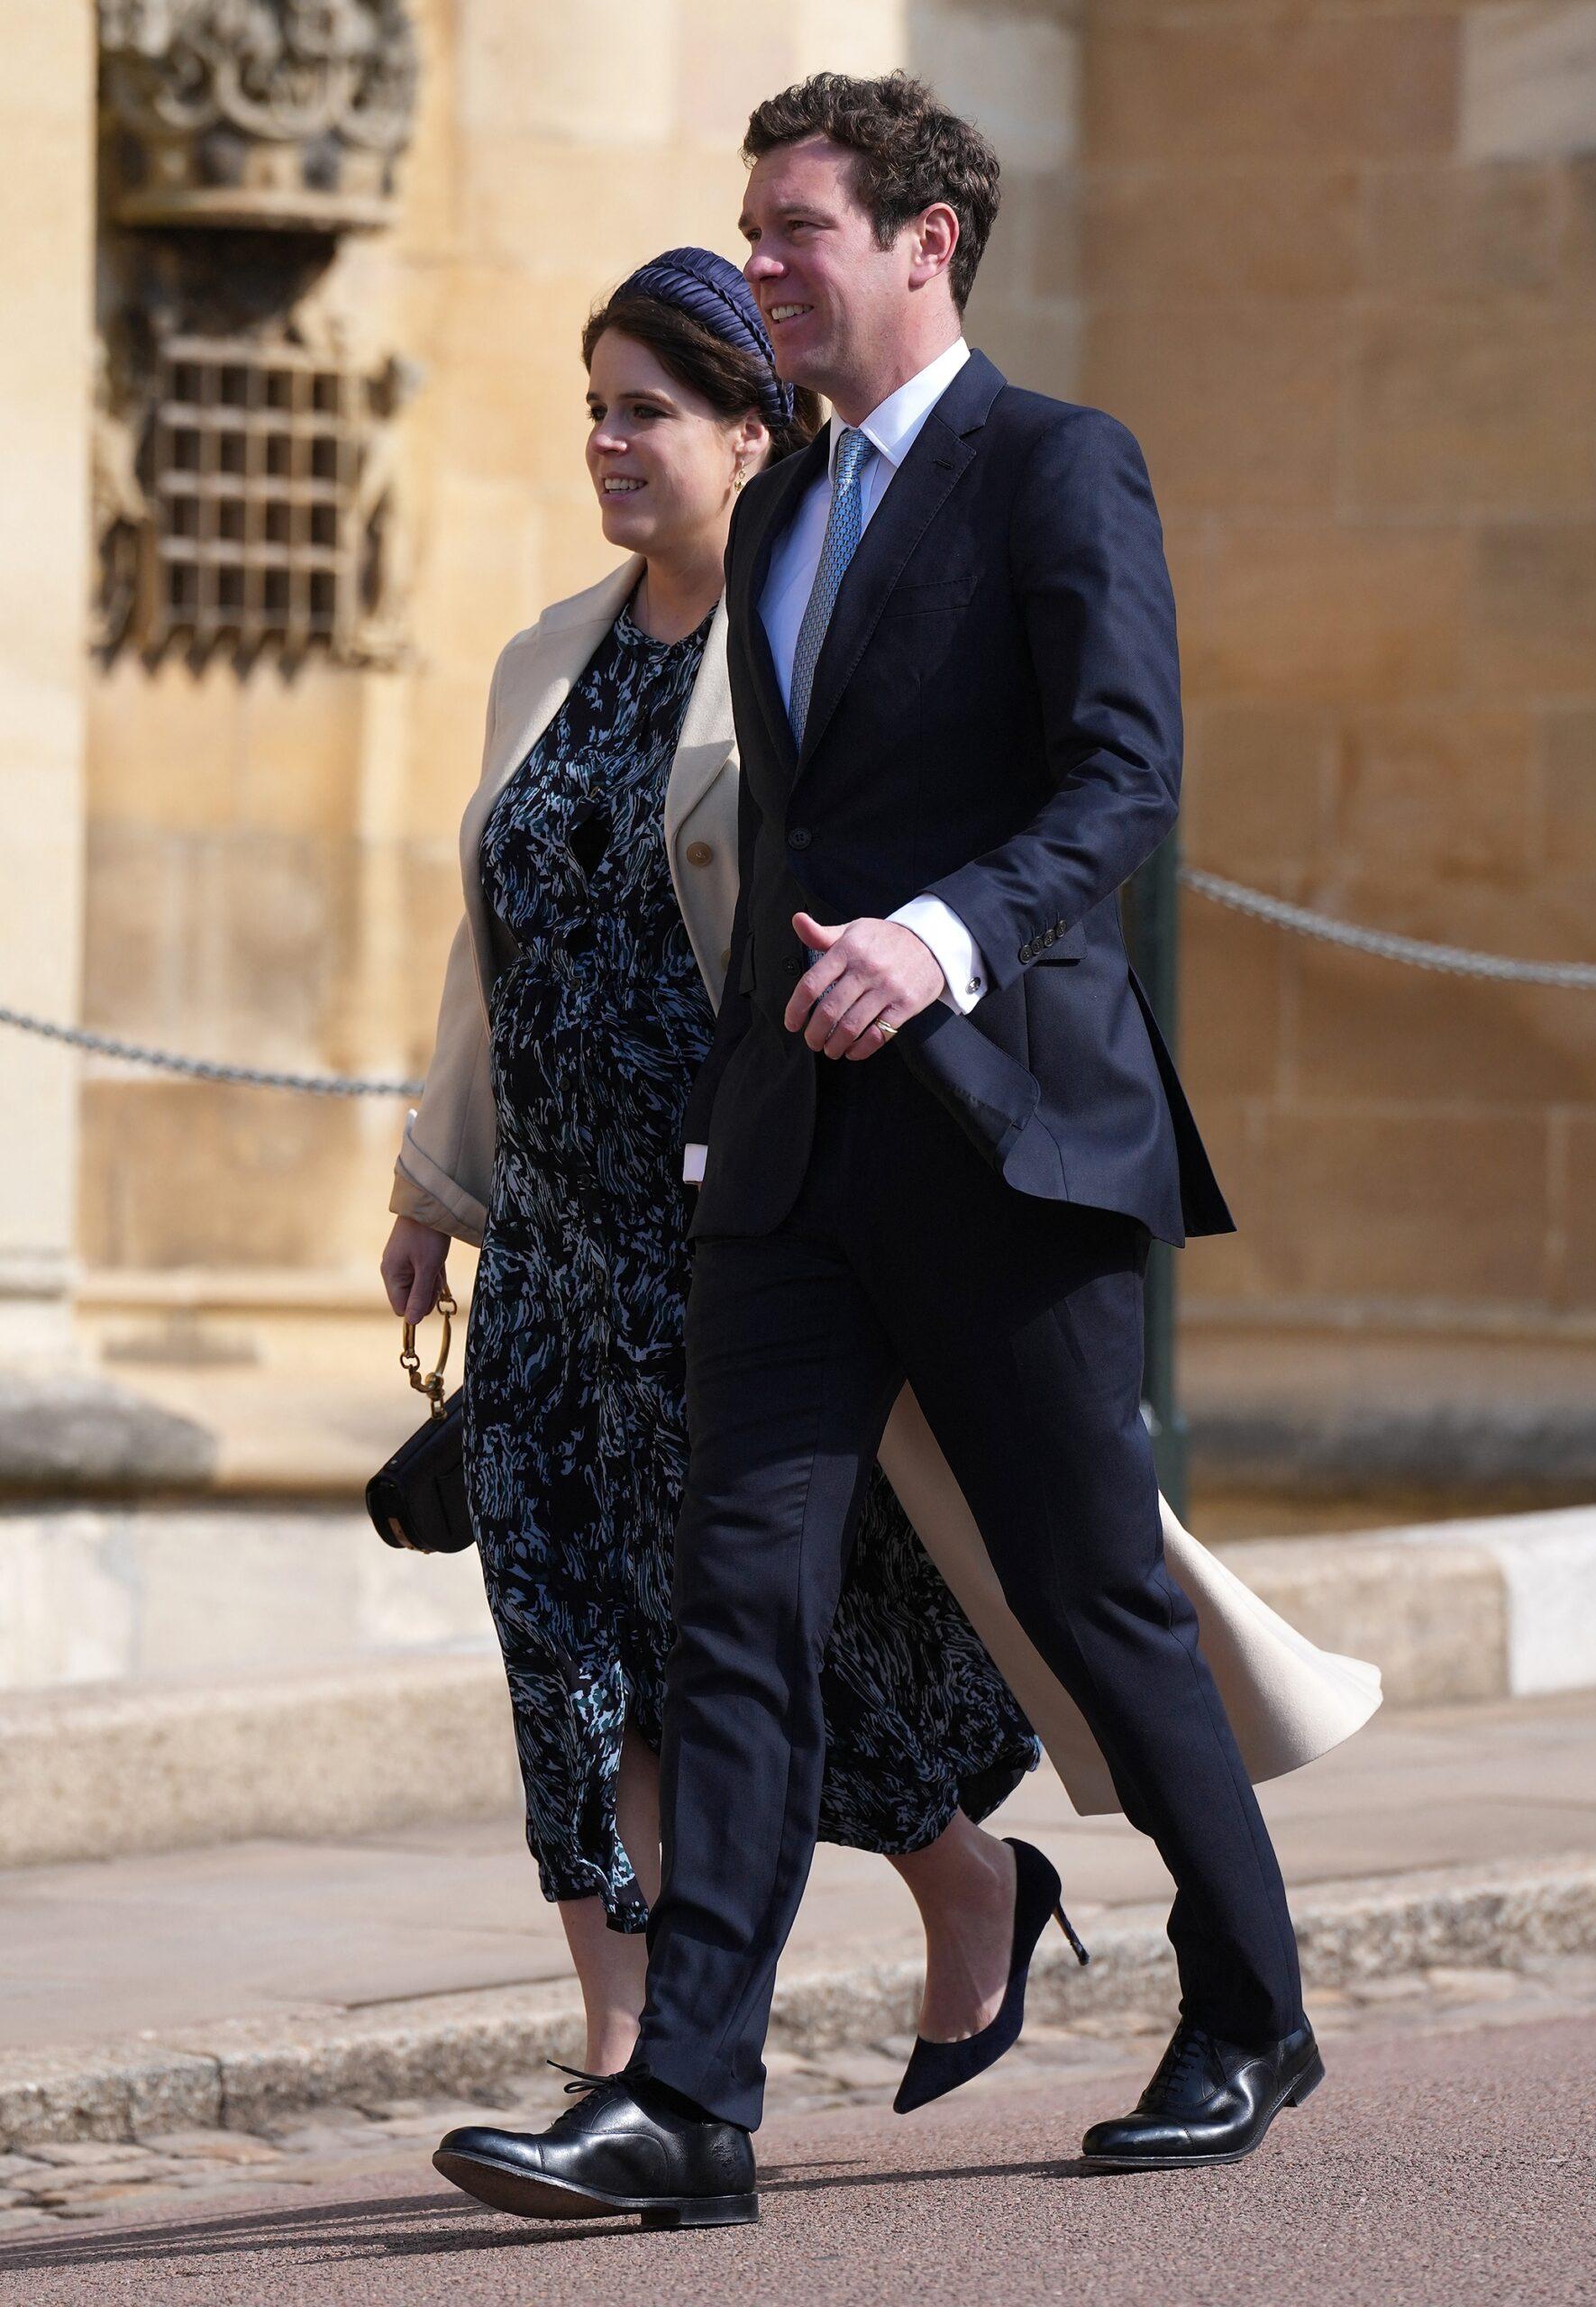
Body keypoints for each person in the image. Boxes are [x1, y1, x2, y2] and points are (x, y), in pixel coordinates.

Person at [430, 75, 1379, 2233]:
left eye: (793, 231)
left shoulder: (1060, 467)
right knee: (731, 1606)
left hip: (1011, 1139)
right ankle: (690, 2099)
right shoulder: (771, 518)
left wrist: (943, 943)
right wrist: (701, 1111)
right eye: (750, 230)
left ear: (925, 241)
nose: (760, 263)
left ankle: (1250, 2003)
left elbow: (1121, 777)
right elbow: (770, 852)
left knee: (1093, 1590)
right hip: (779, 1161)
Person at [381, 245, 1046, 2085]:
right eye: (592, 407)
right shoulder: (542, 653)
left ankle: (966, 1877)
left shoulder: (814, 658)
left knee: (751, 1636)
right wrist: (436, 1194)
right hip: (550, 1251)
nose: (605, 441)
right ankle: (624, 2050)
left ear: (755, 435)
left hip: (734, 1233)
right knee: (560, 1640)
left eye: (644, 410)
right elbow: (489, 948)